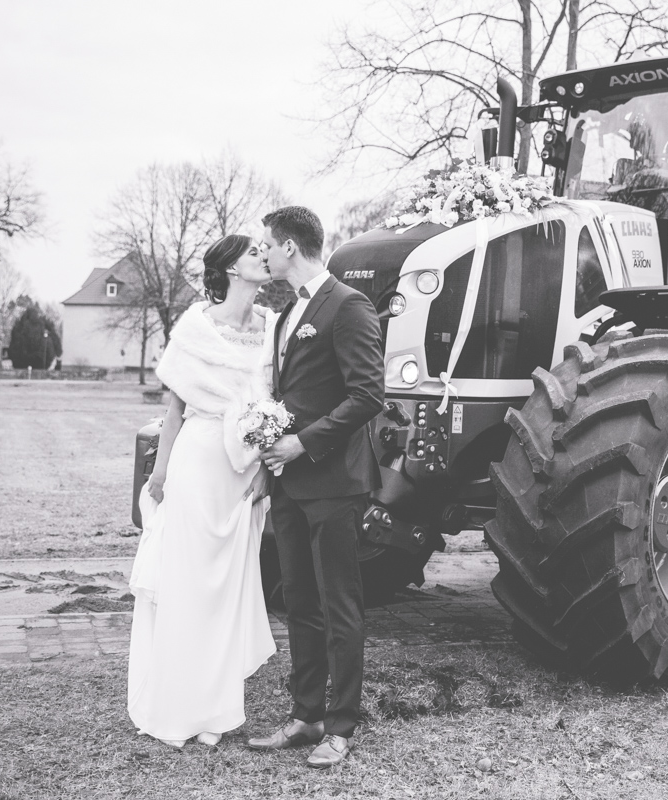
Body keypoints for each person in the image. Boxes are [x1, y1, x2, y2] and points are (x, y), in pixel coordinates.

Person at [127, 234, 276, 749]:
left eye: (265, 249)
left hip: (245, 469)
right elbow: (175, 409)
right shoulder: (195, 324)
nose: (265, 255)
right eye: (254, 251)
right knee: (189, 585)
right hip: (196, 462)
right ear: (232, 268)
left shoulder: (273, 327)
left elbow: (281, 403)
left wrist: (267, 471)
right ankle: (178, 704)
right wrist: (160, 473)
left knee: (229, 589)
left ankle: (216, 708)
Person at [248, 206, 384, 768]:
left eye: (266, 245)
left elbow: (367, 394)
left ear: (289, 248)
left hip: (332, 480)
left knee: (339, 605)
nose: (262, 253)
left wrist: (303, 443)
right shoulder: (285, 314)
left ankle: (342, 725)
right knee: (299, 602)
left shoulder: (348, 306)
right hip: (289, 484)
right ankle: (305, 716)